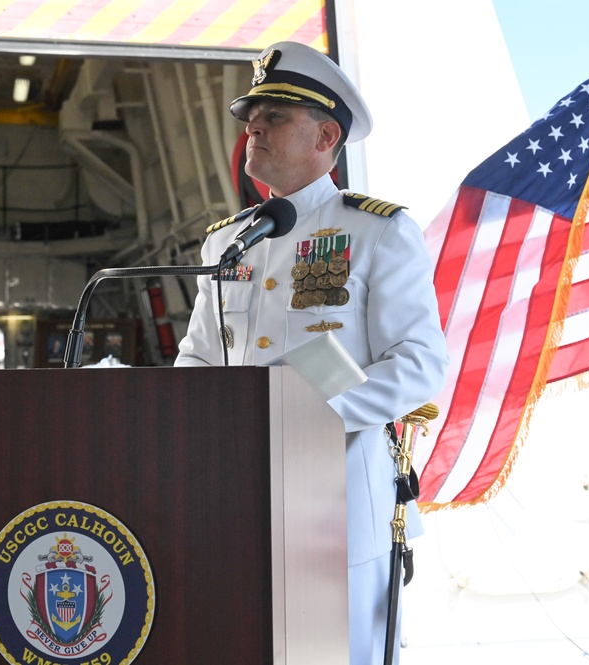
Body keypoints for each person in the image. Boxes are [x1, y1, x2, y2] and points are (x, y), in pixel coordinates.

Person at [174, 41, 449, 664]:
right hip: (234, 502)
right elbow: (195, 358)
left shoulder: (377, 230)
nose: (254, 127)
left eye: (275, 116)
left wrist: (308, 415)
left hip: (341, 510)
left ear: (327, 135)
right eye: (251, 116)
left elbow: (419, 363)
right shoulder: (227, 243)